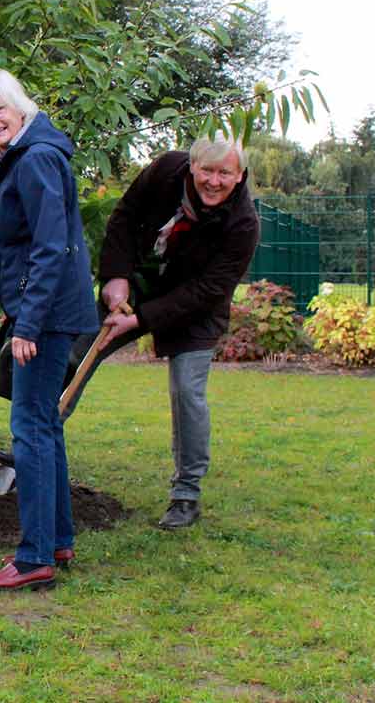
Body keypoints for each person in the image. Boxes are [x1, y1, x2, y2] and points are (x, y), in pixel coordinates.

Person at [61, 135, 259, 530]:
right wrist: (115, 277)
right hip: (140, 278)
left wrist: (141, 320)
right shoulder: (167, 169)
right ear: (191, 167)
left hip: (196, 306)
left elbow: (207, 290)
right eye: (207, 170)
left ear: (239, 177)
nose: (214, 181)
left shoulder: (243, 224)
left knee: (187, 391)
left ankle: (186, 494)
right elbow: (125, 214)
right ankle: (37, 443)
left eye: (225, 173)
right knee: (75, 353)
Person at [0, 70, 100, 592]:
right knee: (44, 424)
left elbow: (51, 247)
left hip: (48, 318)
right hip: (46, 311)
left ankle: (34, 556)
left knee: (29, 427)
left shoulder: (38, 157)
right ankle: (57, 540)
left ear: (21, 108)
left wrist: (29, 321)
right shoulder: (22, 156)